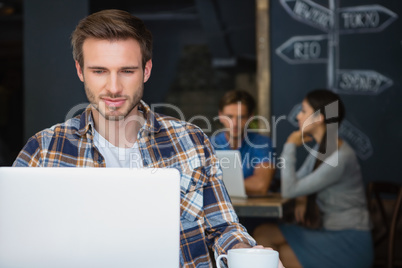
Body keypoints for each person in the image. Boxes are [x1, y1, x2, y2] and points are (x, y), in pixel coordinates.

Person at [13, 9, 283, 268]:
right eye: (99, 71)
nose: (114, 87)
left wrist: (248, 256)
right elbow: (15, 236)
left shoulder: (192, 141)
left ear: (147, 70)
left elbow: (222, 227)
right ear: (80, 70)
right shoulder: (44, 149)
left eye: (127, 71)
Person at [253, 89, 373, 268]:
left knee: (277, 254)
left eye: (303, 111)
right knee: (262, 234)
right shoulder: (322, 148)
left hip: (348, 240)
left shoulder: (340, 157)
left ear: (319, 118)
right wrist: (301, 197)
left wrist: (290, 145)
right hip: (328, 231)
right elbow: (298, 184)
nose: (298, 117)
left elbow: (289, 189)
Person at [211, 90, 276, 196]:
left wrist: (214, 185)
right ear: (220, 116)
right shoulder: (208, 145)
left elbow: (260, 185)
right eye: (229, 116)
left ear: (251, 117)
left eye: (241, 117)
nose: (235, 123)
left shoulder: (262, 143)